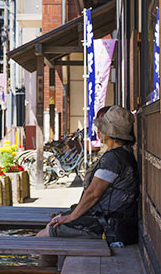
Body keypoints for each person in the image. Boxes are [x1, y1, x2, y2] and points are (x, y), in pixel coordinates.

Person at [36, 105, 139, 245]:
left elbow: (93, 193)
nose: (99, 131)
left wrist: (72, 217)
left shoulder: (113, 159)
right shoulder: (123, 153)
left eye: (101, 128)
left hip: (106, 226)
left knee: (44, 235)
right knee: (54, 223)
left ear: (108, 132)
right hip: (114, 220)